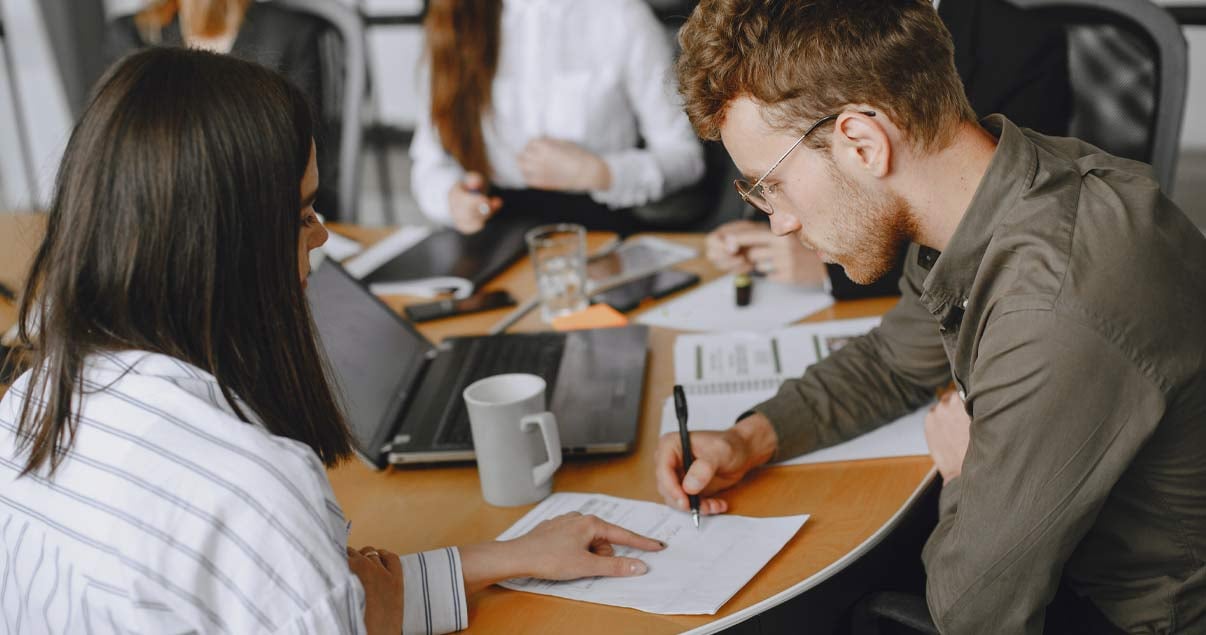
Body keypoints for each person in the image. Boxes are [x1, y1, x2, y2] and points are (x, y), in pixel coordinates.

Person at [0, 48, 664, 635]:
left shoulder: (24, 410)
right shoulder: (248, 492)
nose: (321, 239)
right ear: (222, 246)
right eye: (301, 215)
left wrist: (511, 554)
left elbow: (337, 604)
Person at [654, 0, 1206, 632]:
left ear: (861, 143)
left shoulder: (1053, 307)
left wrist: (966, 471)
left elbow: (974, 614)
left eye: (770, 184)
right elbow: (893, 362)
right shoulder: (985, 191)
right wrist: (749, 439)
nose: (777, 221)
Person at [706, 0, 1072, 300]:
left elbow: (998, 206)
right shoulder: (804, 27)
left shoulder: (1022, 45)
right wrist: (758, 235)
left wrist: (826, 272)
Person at [410, 0, 706, 235]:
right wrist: (452, 200)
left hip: (597, 226)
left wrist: (603, 173)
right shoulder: (453, 19)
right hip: (493, 229)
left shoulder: (622, 15)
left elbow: (685, 158)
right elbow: (428, 162)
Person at [105, 0, 346, 219]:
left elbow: (304, 149)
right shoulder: (134, 35)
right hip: (163, 215)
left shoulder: (291, 32)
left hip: (267, 210)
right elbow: (129, 157)